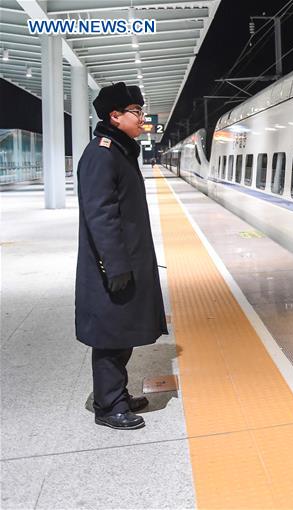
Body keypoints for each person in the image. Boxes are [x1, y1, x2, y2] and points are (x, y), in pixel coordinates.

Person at [76, 82, 167, 429]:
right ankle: (108, 405)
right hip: (113, 264)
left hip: (128, 259)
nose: (142, 118)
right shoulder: (101, 154)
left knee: (122, 332)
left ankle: (118, 394)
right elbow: (101, 214)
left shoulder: (118, 149)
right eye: (136, 112)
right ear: (115, 116)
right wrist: (113, 265)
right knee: (111, 336)